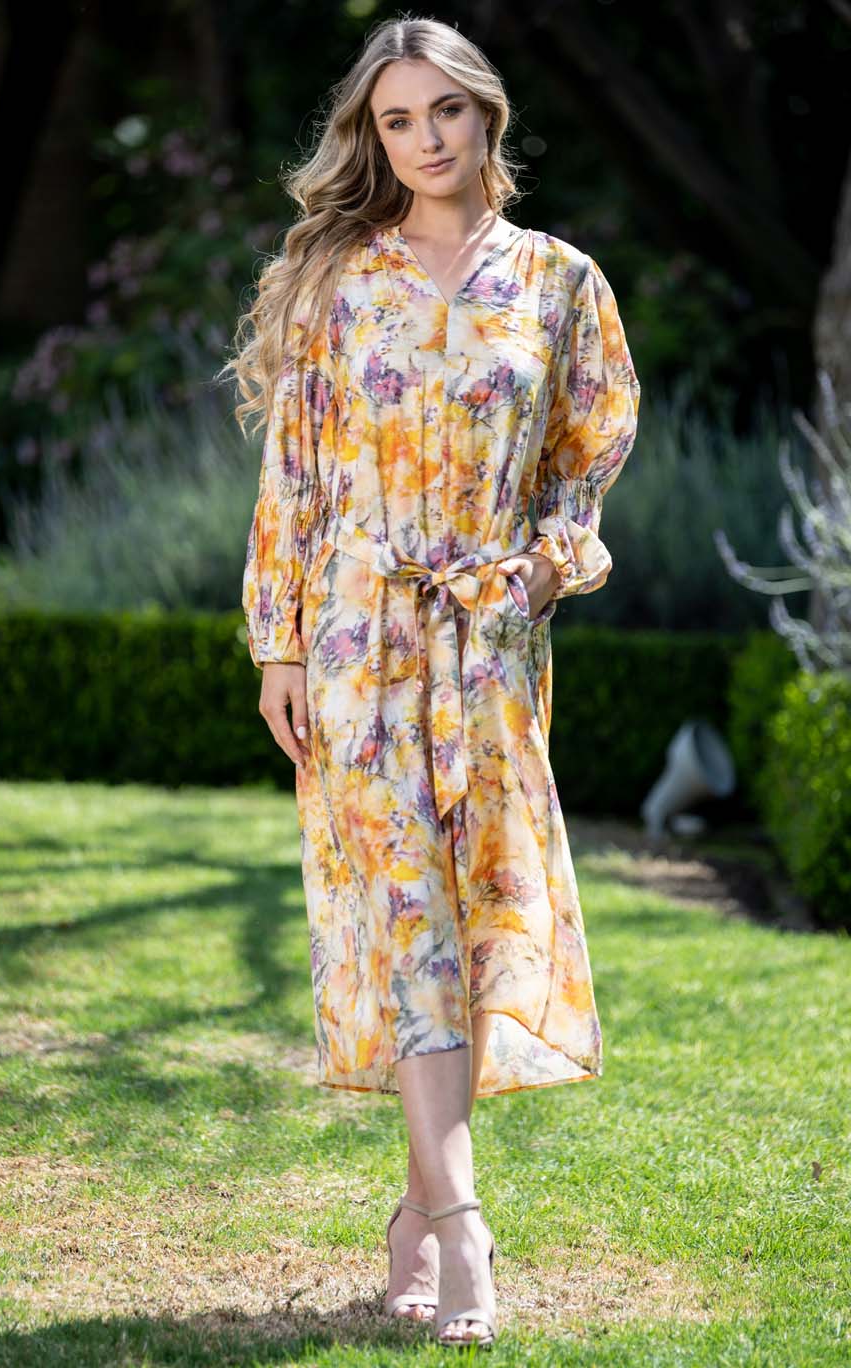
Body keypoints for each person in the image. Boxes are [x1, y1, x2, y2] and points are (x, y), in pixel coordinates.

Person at [225, 15, 640, 1350]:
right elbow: (295, 475)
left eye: (444, 111)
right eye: (396, 120)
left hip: (490, 646)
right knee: (403, 913)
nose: (424, 139)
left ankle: (414, 1212)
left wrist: (547, 569)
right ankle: (462, 1228)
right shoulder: (340, 283)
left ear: (486, 115)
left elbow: (586, 457)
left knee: (465, 921)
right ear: (373, 136)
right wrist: (280, 643)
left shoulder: (561, 283)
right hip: (357, 638)